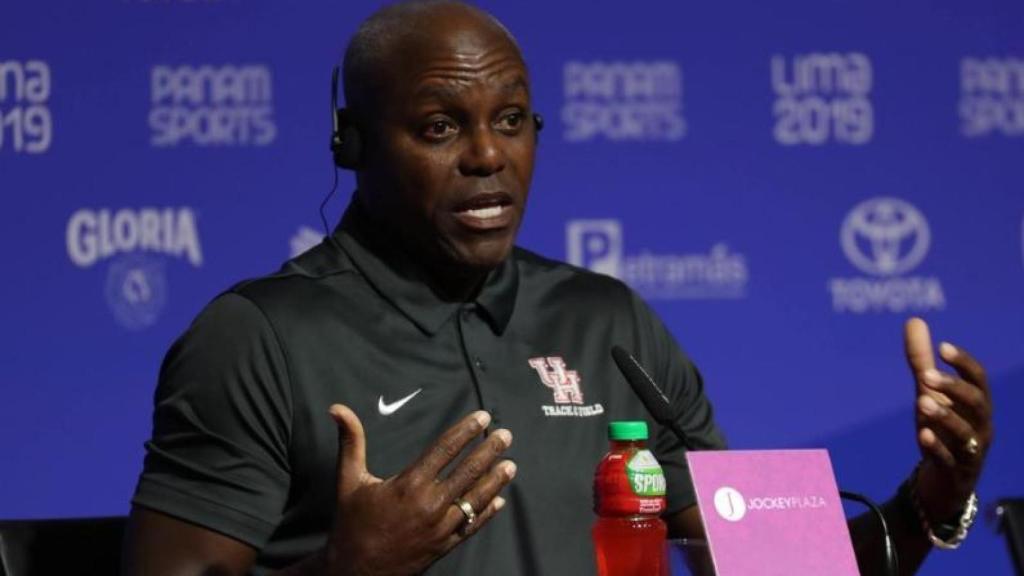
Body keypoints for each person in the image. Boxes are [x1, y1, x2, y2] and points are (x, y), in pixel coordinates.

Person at [121, 2, 994, 575]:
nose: (487, 155)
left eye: (511, 120)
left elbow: (782, 565)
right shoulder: (257, 337)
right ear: (351, 146)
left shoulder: (606, 322)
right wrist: (345, 569)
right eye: (438, 126)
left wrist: (932, 500)